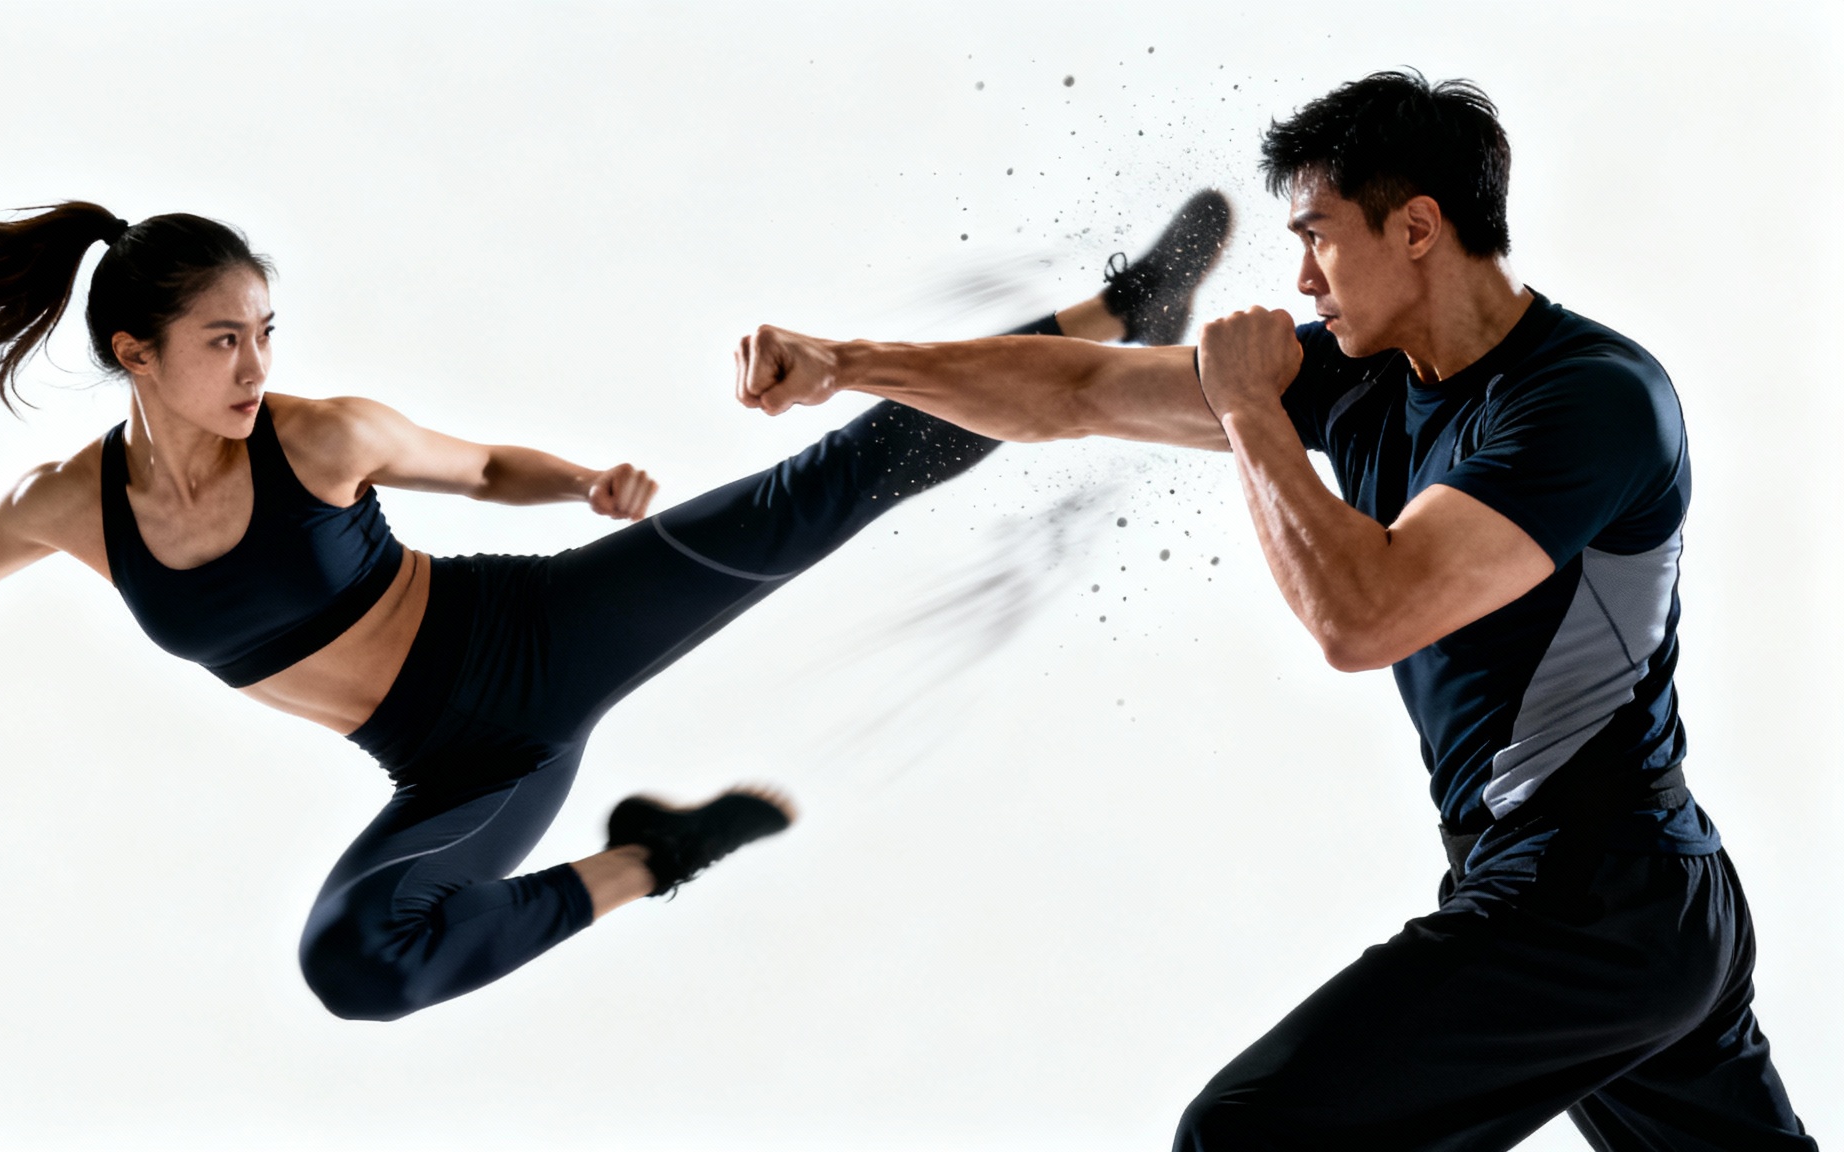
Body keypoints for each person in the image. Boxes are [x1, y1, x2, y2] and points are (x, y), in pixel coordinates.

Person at [0, 190, 1231, 1023]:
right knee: (355, 969)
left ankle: (1123, 308)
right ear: (136, 354)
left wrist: (583, 485)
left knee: (830, 489)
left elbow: (478, 466)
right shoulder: (68, 506)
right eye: (219, 342)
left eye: (265, 331)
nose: (254, 363)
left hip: (534, 634)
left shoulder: (317, 435)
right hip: (464, 768)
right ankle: (652, 861)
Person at [735, 71, 1815, 1150]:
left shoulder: (1587, 400)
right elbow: (1074, 392)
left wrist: (1247, 405)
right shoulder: (1364, 376)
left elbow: (1364, 615)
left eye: (1317, 237)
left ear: (1416, 228)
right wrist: (850, 364)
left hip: (1595, 892)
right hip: (1604, 893)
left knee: (1246, 1138)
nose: (1300, 279)